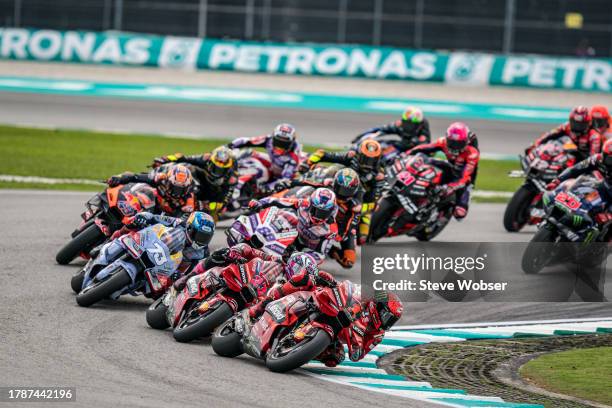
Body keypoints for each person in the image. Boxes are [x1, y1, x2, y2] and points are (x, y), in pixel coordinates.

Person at [274, 167, 362, 268]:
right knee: (292, 197)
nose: (342, 194)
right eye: (341, 189)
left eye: (346, 191)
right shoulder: (327, 185)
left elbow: (348, 228)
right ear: (335, 184)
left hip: (333, 225)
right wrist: (291, 183)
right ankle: (279, 199)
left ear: (354, 191)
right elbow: (308, 183)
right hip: (314, 211)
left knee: (348, 261)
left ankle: (327, 249)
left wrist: (333, 235)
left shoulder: (354, 206)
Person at [303, 140, 385, 244]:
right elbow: (323, 154)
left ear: (378, 160)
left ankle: (342, 237)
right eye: (365, 159)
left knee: (362, 238)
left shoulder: (379, 175)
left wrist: (361, 205)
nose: (367, 164)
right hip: (337, 186)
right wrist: (309, 162)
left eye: (372, 161)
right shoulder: (351, 157)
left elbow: (373, 200)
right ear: (359, 155)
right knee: (332, 170)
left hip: (359, 199)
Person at [403, 122, 479, 220]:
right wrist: (406, 154)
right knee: (426, 160)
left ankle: (439, 217)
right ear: (447, 138)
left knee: (460, 214)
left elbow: (465, 177)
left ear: (466, 142)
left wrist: (450, 187)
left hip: (463, 176)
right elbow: (423, 148)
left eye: (459, 143)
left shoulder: (472, 153)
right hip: (450, 167)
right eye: (452, 142)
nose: (455, 146)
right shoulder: (442, 142)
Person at [248, 188, 339, 263]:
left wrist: (299, 258)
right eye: (316, 210)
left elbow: (320, 255)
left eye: (324, 213)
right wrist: (260, 202)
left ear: (331, 212)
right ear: (310, 204)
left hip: (304, 250)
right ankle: (258, 234)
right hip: (291, 237)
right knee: (289, 215)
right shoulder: (303, 204)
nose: (318, 216)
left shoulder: (332, 230)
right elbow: (278, 200)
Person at [151, 146, 238, 221]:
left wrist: (209, 206)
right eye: (214, 167)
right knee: (188, 168)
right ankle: (178, 201)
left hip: (215, 193)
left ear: (228, 170)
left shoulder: (232, 178)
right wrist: (165, 159)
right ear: (210, 162)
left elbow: (224, 201)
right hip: (203, 181)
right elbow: (185, 158)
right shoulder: (206, 158)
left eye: (220, 170)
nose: (216, 172)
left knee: (215, 208)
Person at [546, 139, 612, 237]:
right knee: (584, 191)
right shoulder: (598, 159)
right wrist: (557, 180)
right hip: (604, 187)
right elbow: (576, 169)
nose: (609, 162)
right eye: (608, 158)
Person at [228, 123, 302, 189]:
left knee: (263, 173)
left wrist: (267, 188)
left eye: (284, 143)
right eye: (278, 141)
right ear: (273, 137)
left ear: (292, 142)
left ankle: (257, 185)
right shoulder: (268, 140)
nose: (280, 147)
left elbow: (285, 180)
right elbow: (246, 140)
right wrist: (230, 146)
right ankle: (232, 168)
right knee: (249, 153)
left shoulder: (293, 157)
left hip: (284, 176)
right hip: (273, 163)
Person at [107, 164, 196, 216]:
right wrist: (120, 178)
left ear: (187, 188)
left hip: (161, 218)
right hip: (145, 206)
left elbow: (182, 220)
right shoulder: (160, 178)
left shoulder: (189, 201)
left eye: (180, 189)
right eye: (174, 187)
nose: (176, 192)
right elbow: (136, 177)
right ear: (168, 180)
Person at [529, 106, 602, 160]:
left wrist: (576, 153)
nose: (577, 127)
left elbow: (593, 159)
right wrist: (535, 145)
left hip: (584, 162)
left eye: (581, 125)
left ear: (588, 123)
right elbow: (549, 135)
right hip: (569, 156)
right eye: (575, 124)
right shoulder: (567, 126)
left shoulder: (594, 136)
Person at [353, 106, 431, 153]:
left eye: (410, 123)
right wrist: (361, 136)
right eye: (405, 122)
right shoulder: (400, 124)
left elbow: (421, 144)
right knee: (381, 144)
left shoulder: (422, 133)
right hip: (402, 145)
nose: (407, 125)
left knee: (391, 150)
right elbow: (382, 129)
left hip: (414, 153)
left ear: (418, 125)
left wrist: (394, 147)